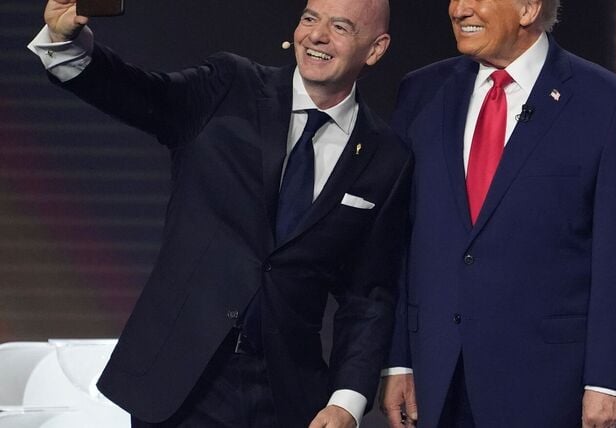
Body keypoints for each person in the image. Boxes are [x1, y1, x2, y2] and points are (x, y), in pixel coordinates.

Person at [27, 0, 410, 426]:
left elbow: (368, 295)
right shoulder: (230, 86)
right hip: (179, 384)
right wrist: (66, 42)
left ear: (375, 49)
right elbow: (138, 93)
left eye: (340, 27)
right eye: (309, 19)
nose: (316, 36)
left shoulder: (385, 157)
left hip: (287, 396)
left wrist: (346, 401)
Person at [379, 0, 616, 426]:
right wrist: (398, 360)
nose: (458, 9)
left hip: (550, 387)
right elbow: (399, 239)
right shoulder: (422, 92)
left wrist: (610, 382)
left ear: (528, 8)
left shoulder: (608, 104)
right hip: (437, 378)